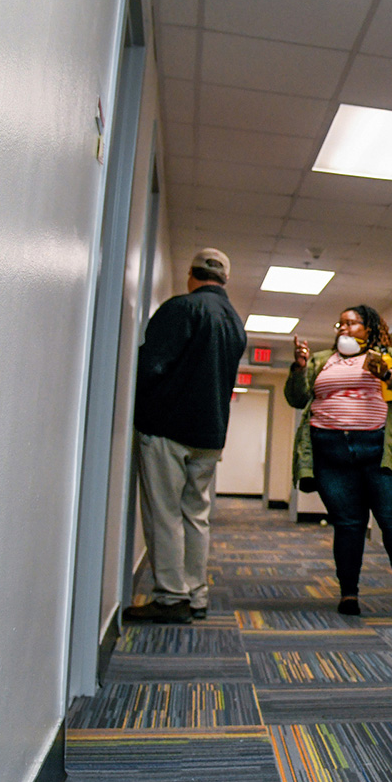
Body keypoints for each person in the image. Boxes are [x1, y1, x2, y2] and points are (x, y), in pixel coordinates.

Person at [125, 248, 248, 624]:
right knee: (197, 514)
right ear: (224, 279)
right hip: (209, 434)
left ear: (192, 275)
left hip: (168, 428)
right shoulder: (235, 322)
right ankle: (197, 594)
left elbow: (151, 366)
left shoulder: (181, 308)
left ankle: (170, 597)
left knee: (165, 514)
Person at [285, 305, 392, 617]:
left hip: (382, 452)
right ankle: (348, 594)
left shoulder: (388, 355)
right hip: (331, 452)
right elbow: (296, 398)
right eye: (341, 323)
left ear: (369, 328)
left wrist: (387, 373)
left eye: (353, 323)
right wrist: (299, 368)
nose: (344, 328)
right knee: (348, 525)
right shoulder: (321, 360)